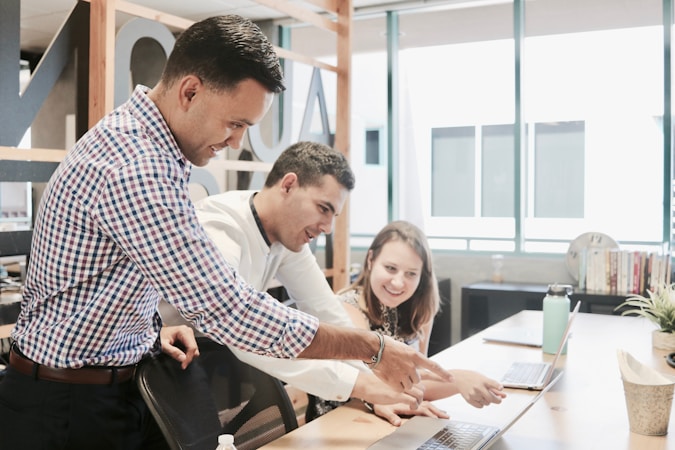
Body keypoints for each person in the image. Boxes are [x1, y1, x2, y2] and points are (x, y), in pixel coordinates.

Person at [0, 16, 451, 450]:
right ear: (190, 91)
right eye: (235, 123)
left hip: (117, 379)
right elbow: (228, 309)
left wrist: (146, 330)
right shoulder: (136, 168)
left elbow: (104, 279)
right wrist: (372, 348)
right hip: (65, 406)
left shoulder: (153, 147)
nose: (236, 142)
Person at [161, 140, 429, 423]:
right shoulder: (220, 225)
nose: (327, 228)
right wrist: (361, 385)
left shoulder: (287, 239)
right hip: (155, 365)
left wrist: (371, 391)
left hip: (204, 366)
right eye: (323, 208)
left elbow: (326, 310)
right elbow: (244, 329)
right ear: (288, 185)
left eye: (334, 215)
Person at [309, 220, 507, 425]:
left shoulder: (420, 311)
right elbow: (373, 382)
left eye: (411, 274)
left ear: (422, 276)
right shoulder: (347, 308)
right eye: (390, 268)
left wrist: (461, 383)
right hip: (340, 421)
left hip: (391, 418)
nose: (398, 282)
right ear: (370, 260)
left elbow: (416, 385)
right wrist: (456, 377)